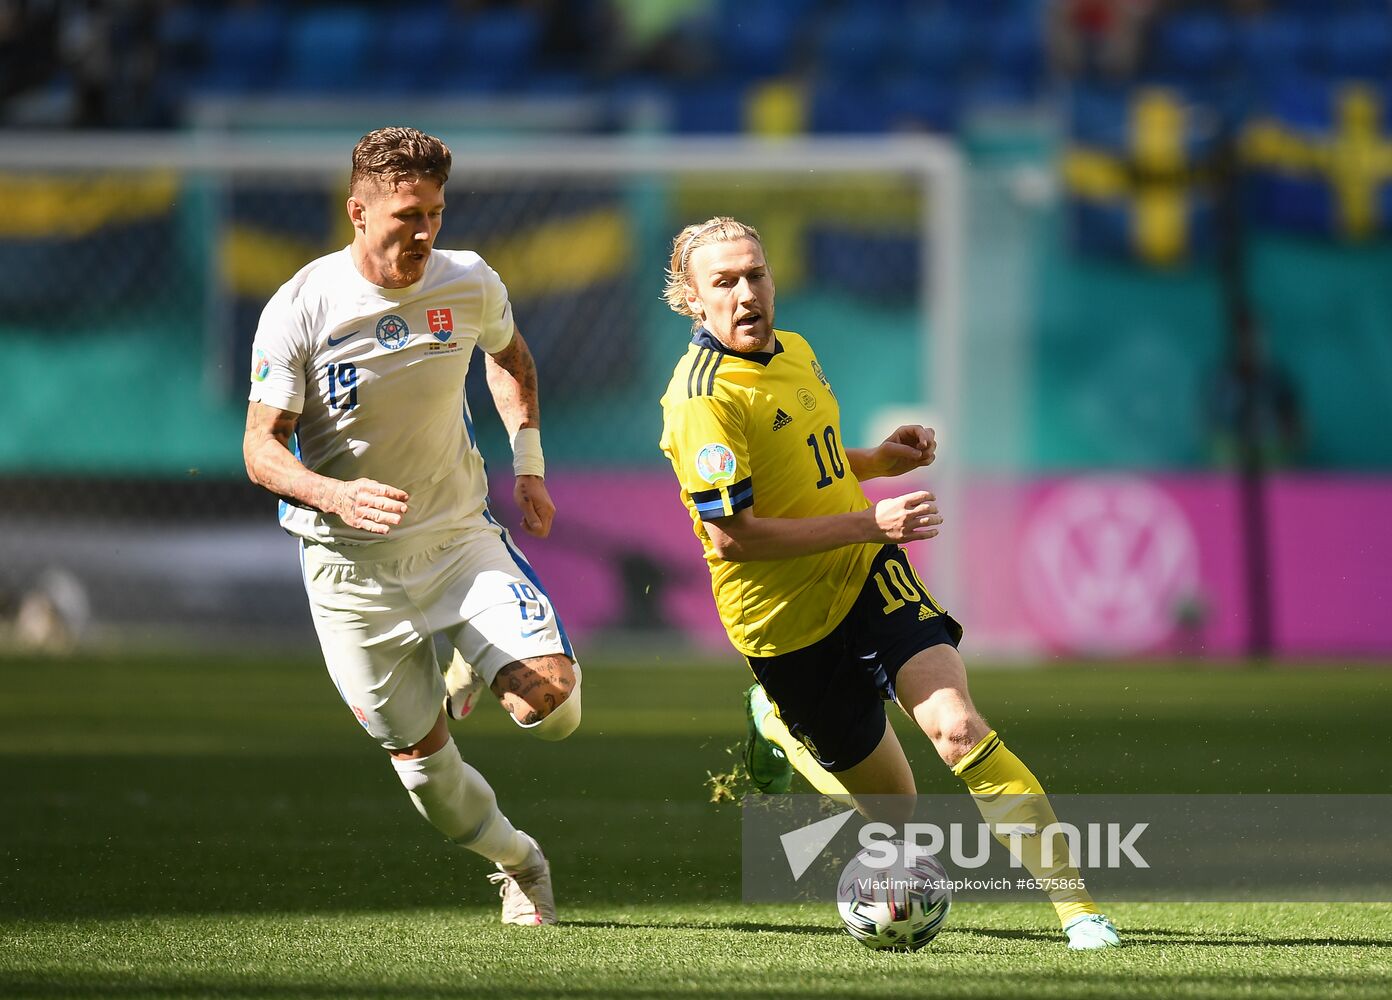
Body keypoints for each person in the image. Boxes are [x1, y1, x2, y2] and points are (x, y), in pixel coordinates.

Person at [657, 217, 1120, 950]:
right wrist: (873, 523)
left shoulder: (797, 350)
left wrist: (875, 460)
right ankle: (776, 722)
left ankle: (1080, 911)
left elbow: (803, 456)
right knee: (896, 813)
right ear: (691, 298)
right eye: (725, 282)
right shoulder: (701, 399)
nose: (747, 293)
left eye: (757, 274)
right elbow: (734, 536)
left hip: (866, 573)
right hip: (784, 624)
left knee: (957, 729)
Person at [243, 126, 580, 926]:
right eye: (405, 216)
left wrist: (527, 464)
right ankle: (518, 863)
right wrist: (331, 493)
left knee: (555, 709)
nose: (423, 232)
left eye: (434, 212)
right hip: (349, 570)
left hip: (456, 539)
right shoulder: (302, 305)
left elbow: (512, 358)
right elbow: (261, 448)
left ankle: (472, 663)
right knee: (425, 771)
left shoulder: (469, 282)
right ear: (357, 211)